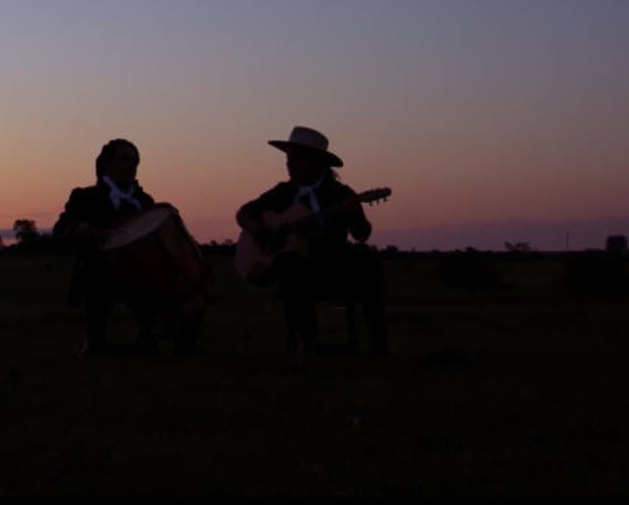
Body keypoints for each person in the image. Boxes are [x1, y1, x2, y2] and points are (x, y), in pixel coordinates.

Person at [234, 126, 389, 356]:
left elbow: (361, 235)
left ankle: (379, 345)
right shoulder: (282, 193)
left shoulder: (340, 193)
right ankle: (304, 343)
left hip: (333, 265)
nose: (289, 164)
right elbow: (244, 213)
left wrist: (354, 214)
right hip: (297, 270)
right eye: (288, 158)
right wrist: (259, 229)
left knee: (369, 257)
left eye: (295, 158)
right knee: (290, 262)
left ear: (316, 162)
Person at [53, 138, 205, 356]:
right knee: (94, 277)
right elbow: (61, 227)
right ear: (107, 164)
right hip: (100, 272)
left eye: (134, 161)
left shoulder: (145, 200)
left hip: (146, 275)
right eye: (124, 159)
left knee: (194, 288)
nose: (131, 166)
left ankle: (172, 341)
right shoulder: (85, 197)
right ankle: (95, 340)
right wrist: (79, 227)